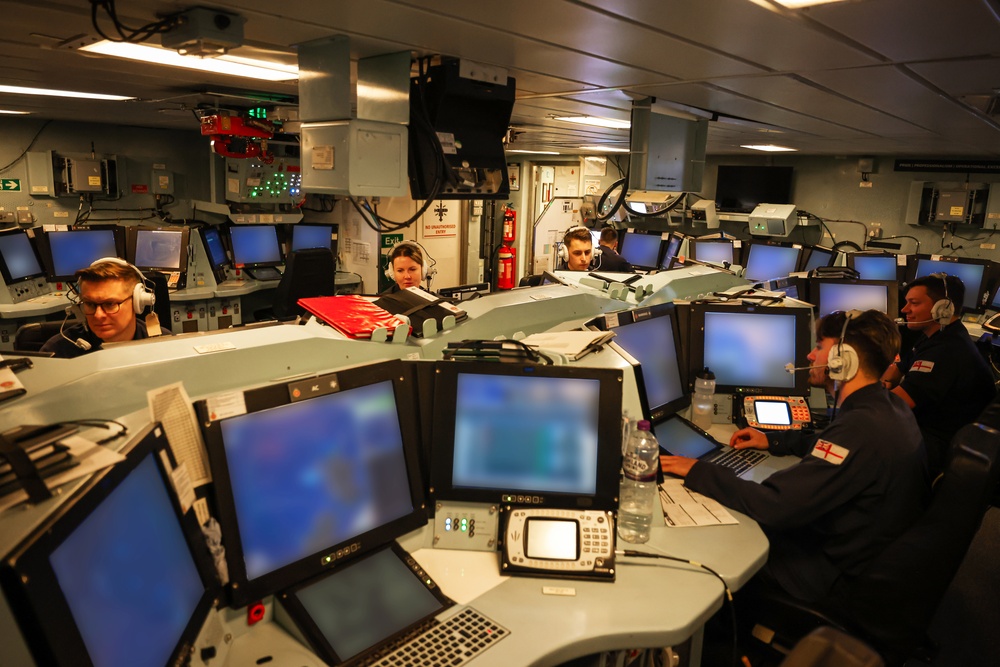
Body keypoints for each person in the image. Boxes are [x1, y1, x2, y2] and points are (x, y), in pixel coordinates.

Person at [661, 310, 928, 606]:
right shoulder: (886, 407)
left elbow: (775, 504)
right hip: (864, 559)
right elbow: (826, 445)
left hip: (833, 578)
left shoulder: (859, 429)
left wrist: (699, 471)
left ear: (843, 358)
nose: (810, 356)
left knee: (714, 552)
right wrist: (773, 439)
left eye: (818, 346)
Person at [881, 273, 996, 477]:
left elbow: (894, 404)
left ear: (943, 309)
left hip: (937, 445)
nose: (904, 310)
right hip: (927, 429)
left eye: (913, 303)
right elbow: (892, 375)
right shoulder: (935, 336)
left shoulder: (945, 351)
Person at [40, 259, 151, 358]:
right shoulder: (58, 351)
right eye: (90, 304)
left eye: (110, 304)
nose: (98, 315)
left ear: (137, 302)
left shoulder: (161, 342)